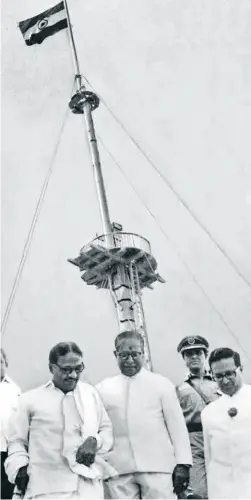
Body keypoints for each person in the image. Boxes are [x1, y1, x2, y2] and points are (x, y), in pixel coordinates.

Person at [5, 342, 114, 499]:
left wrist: (94, 441)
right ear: (52, 368)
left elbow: (106, 429)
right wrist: (19, 468)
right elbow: (16, 441)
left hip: (87, 486)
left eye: (78, 368)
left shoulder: (90, 394)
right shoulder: (30, 400)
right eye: (66, 370)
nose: (73, 375)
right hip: (46, 488)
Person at [96, 331, 192, 499]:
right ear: (115, 354)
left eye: (135, 354)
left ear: (143, 352)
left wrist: (183, 464)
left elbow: (177, 427)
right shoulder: (103, 389)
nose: (130, 360)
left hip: (158, 468)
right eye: (124, 355)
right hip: (118, 469)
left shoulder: (161, 384)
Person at [201, 347, 251, 499]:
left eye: (230, 373)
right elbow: (209, 457)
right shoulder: (209, 412)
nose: (225, 380)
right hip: (223, 490)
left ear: (240, 369)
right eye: (219, 376)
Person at [176, 336, 220, 499]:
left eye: (197, 353)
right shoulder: (180, 388)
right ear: (184, 359)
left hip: (218, 436)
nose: (194, 357)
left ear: (205, 355)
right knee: (198, 491)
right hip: (193, 440)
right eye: (189, 354)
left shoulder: (218, 382)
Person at [0, 347, 21, 499]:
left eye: (0, 361)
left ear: (6, 364)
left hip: (6, 452)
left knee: (6, 493)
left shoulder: (15, 390)